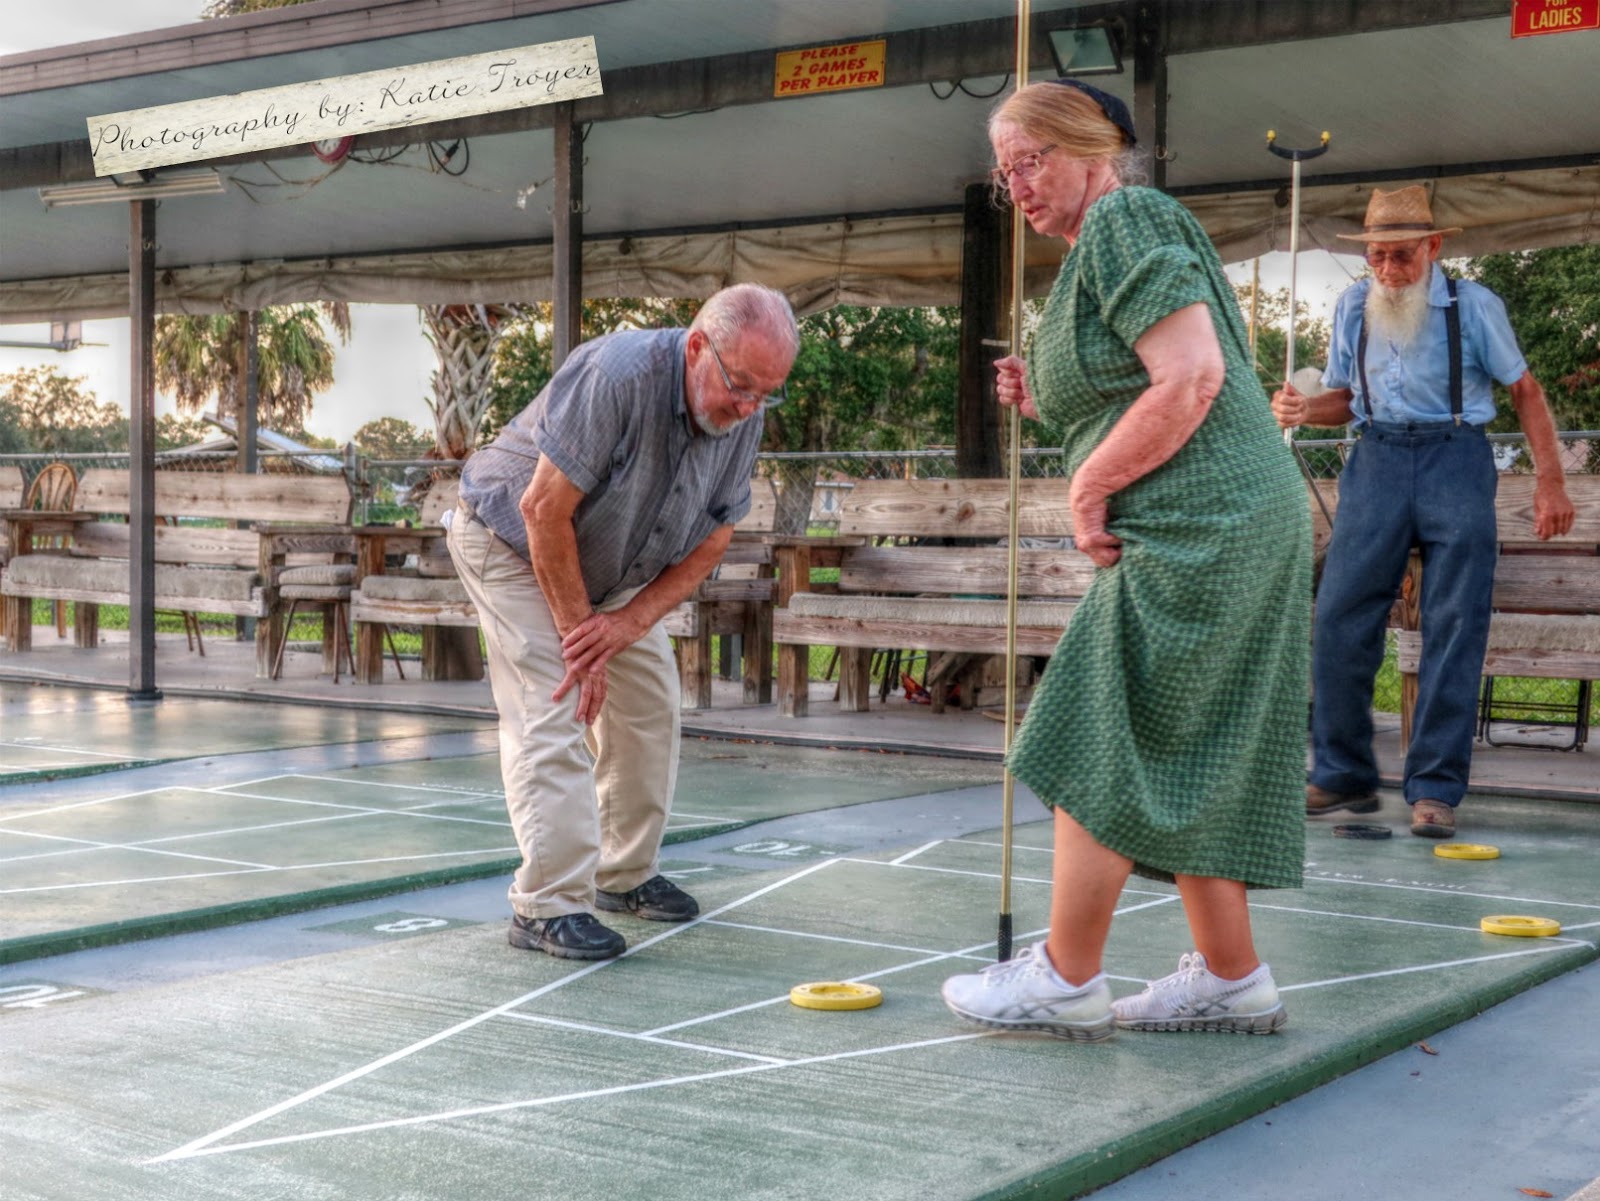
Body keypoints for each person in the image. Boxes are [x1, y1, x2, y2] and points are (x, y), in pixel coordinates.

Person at [941, 80, 1311, 1040]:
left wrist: (1087, 484)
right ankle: (1233, 979)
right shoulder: (1095, 253)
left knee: (1097, 722)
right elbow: (1138, 377)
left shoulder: (1124, 217)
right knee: (1189, 741)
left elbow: (1192, 374)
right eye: (1004, 170)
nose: (1016, 184)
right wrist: (1047, 396)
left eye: (1032, 160)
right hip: (1233, 516)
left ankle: (1066, 977)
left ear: (1091, 150)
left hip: (1202, 521)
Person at [448, 284, 799, 960]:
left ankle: (622, 872)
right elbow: (543, 510)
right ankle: (546, 905)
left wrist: (625, 626)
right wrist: (584, 640)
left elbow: (715, 537)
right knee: (555, 705)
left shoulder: (740, 412)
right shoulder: (615, 374)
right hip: (513, 543)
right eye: (743, 386)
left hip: (611, 562)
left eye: (767, 393)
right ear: (698, 347)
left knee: (649, 700)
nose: (751, 407)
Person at [1271, 186, 1574, 839]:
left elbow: (1525, 388)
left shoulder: (1474, 305)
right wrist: (1303, 409)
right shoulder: (1353, 304)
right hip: (1375, 459)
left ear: (1434, 248)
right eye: (1376, 257)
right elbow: (1345, 400)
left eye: (1401, 257)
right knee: (1339, 615)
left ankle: (1434, 788)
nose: (1386, 271)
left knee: (1454, 620)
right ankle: (1345, 772)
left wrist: (1551, 481)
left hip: (1455, 457)